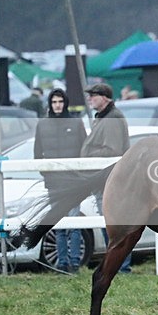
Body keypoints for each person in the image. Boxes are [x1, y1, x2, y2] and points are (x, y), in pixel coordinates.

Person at [34, 89, 87, 273]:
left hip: (73, 182)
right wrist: (46, 174)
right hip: (54, 183)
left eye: (60, 101)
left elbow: (83, 148)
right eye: (54, 101)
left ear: (65, 103)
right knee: (59, 223)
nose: (57, 105)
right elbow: (37, 152)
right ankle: (62, 262)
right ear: (50, 103)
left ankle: (74, 263)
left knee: (74, 222)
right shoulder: (42, 125)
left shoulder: (76, 122)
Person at [81, 82, 132, 272]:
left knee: (113, 224)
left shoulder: (112, 118)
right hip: (104, 179)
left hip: (109, 179)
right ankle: (117, 265)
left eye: (94, 95)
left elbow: (112, 150)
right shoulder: (105, 117)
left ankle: (121, 266)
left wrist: (88, 154)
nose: (90, 99)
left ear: (105, 97)